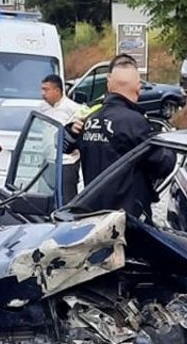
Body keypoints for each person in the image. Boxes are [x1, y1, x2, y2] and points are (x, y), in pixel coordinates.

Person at [67, 54, 176, 221]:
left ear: (109, 86)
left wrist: (69, 130)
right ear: (138, 89)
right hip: (126, 220)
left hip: (93, 214)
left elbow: (64, 144)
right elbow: (162, 165)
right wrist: (167, 145)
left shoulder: (90, 119)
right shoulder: (134, 123)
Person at [39, 73, 84, 201]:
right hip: (48, 161)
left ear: (57, 90)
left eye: (46, 90)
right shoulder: (43, 108)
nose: (43, 93)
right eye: (42, 89)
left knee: (65, 199)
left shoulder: (74, 109)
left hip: (66, 163)